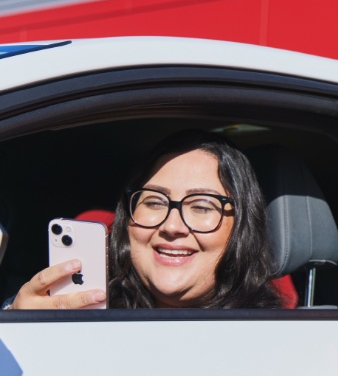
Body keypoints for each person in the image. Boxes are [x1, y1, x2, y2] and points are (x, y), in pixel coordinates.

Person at [8, 130, 282, 309]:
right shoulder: (85, 316)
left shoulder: (278, 344)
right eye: (154, 202)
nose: (172, 226)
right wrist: (14, 321)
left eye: (201, 207)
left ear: (242, 227)